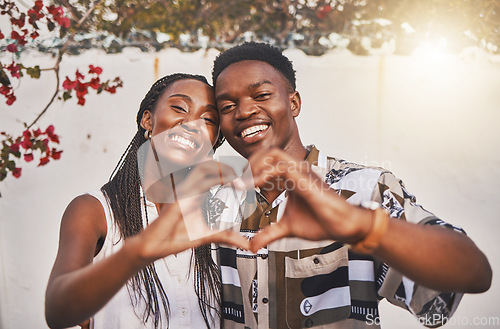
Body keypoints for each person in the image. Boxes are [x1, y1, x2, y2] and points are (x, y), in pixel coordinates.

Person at [209, 42, 492, 329]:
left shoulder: (363, 189)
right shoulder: (217, 207)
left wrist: (362, 225)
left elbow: (472, 274)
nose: (244, 111)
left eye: (261, 95)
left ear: (294, 103)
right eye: (227, 106)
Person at [45, 73, 250, 329]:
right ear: (147, 119)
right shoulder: (94, 211)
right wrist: (136, 253)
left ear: (215, 140)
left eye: (208, 119)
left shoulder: (218, 215)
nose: (192, 123)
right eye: (179, 108)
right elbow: (57, 311)